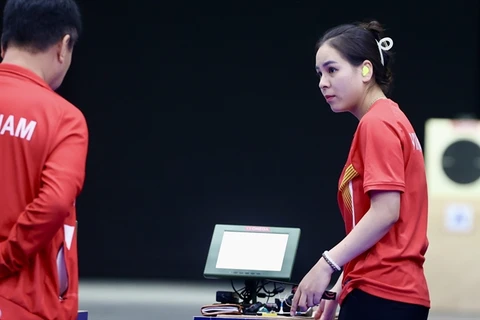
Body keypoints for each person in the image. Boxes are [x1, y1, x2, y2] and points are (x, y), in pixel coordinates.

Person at [290, 20, 430, 320]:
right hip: (385, 292)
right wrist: (341, 287)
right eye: (319, 74)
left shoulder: (377, 123)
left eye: (332, 69)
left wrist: (325, 265)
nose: (322, 82)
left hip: (383, 296)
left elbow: (386, 212)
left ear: (366, 70)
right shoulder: (391, 118)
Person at [0, 0, 87, 319]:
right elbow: (53, 202)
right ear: (64, 46)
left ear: (4, 42)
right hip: (25, 304)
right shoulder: (64, 118)